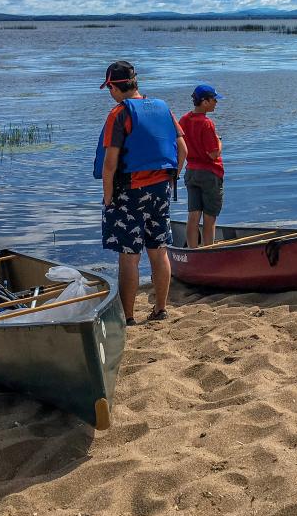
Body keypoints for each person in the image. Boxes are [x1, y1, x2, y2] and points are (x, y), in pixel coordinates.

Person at [94, 60, 187, 326]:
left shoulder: (118, 114)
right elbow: (183, 151)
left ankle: (129, 317)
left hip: (130, 192)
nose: (109, 93)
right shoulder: (163, 108)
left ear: (114, 86)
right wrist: (172, 177)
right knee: (159, 251)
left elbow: (110, 164)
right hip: (161, 190)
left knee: (129, 257)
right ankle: (160, 309)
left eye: (109, 87)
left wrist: (109, 198)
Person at [179, 84, 224, 248]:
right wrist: (219, 142)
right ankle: (207, 250)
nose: (216, 103)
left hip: (191, 171)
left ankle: (192, 251)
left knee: (193, 215)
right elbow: (213, 154)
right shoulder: (207, 123)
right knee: (210, 217)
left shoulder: (184, 119)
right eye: (214, 100)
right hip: (209, 174)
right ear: (204, 102)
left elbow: (178, 144)